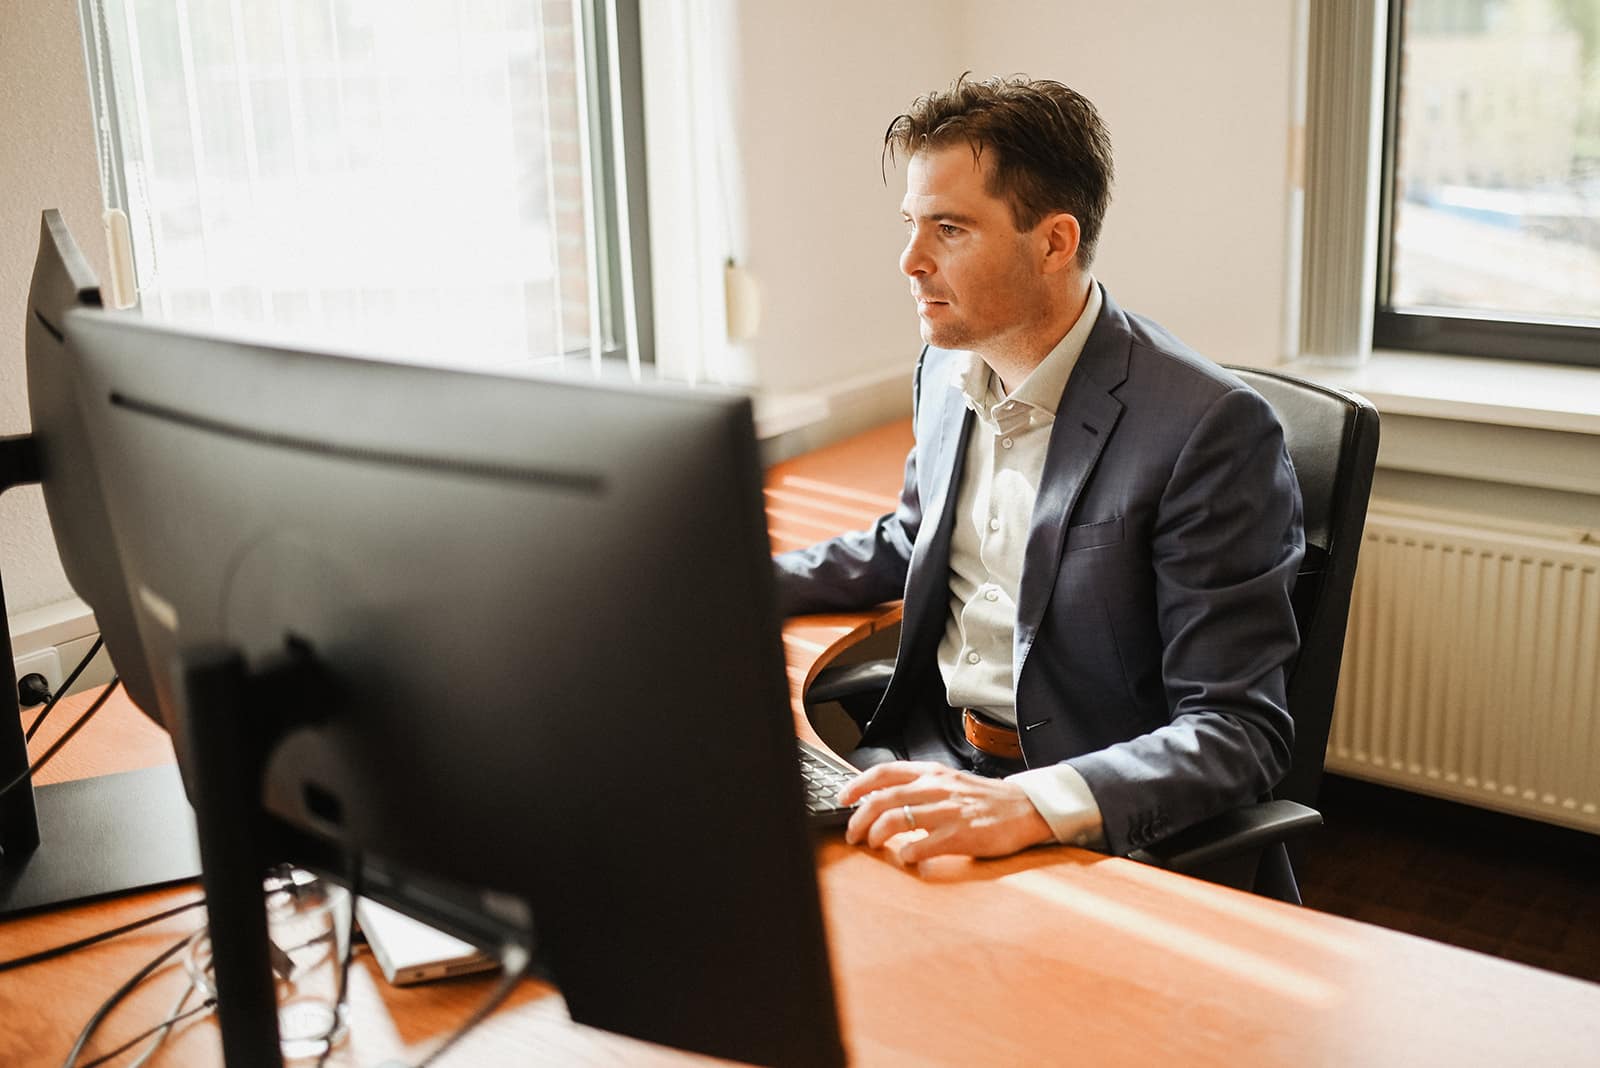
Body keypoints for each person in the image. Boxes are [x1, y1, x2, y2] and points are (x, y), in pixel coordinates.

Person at [774, 75, 1304, 888]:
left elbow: (1237, 729)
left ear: (1055, 242)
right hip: (937, 755)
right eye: (912, 225)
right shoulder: (949, 366)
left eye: (948, 229)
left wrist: (1026, 806)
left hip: (1087, 811)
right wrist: (735, 583)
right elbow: (915, 542)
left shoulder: (1208, 429)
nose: (910, 262)